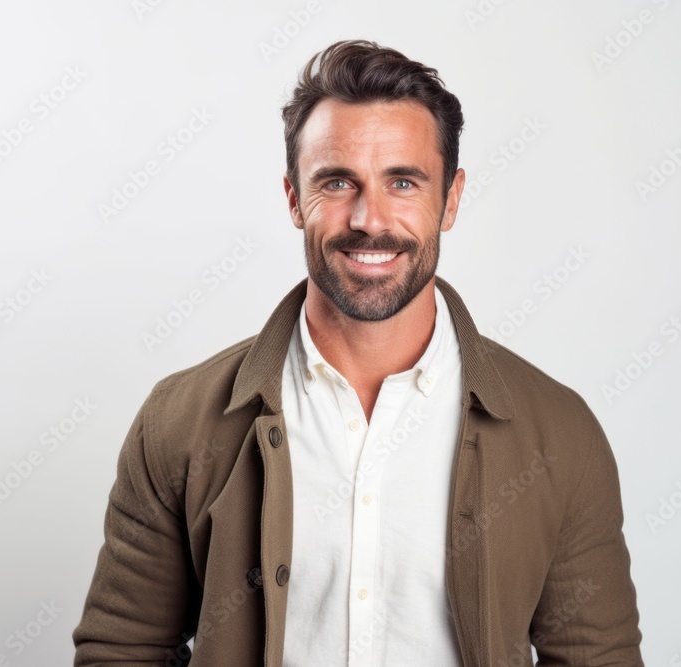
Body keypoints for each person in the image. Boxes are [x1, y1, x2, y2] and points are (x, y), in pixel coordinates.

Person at [73, 39, 644, 666]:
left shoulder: (559, 434)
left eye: (403, 181)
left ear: (450, 200)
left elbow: (598, 659)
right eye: (338, 181)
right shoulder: (179, 421)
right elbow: (122, 651)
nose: (370, 219)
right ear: (294, 199)